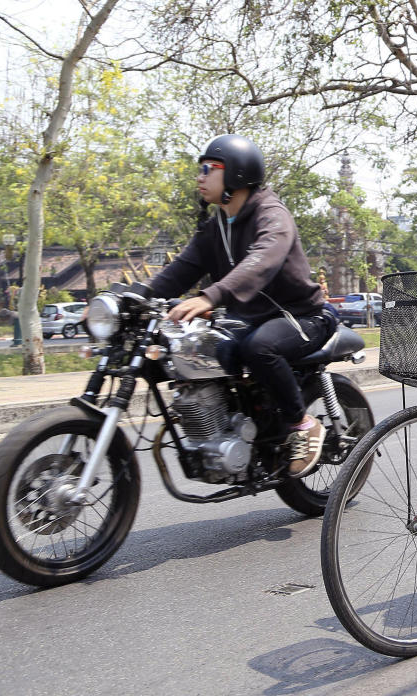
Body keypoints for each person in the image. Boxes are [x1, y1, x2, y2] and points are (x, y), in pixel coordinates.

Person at [150, 134, 336, 478]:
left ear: (235, 173)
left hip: (302, 316)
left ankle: (302, 423)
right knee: (200, 351)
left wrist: (211, 296)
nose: (200, 177)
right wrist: (132, 297)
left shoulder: (271, 214)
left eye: (209, 169)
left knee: (260, 347)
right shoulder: (217, 225)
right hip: (249, 319)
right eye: (200, 170)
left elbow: (262, 260)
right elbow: (179, 270)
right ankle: (244, 426)